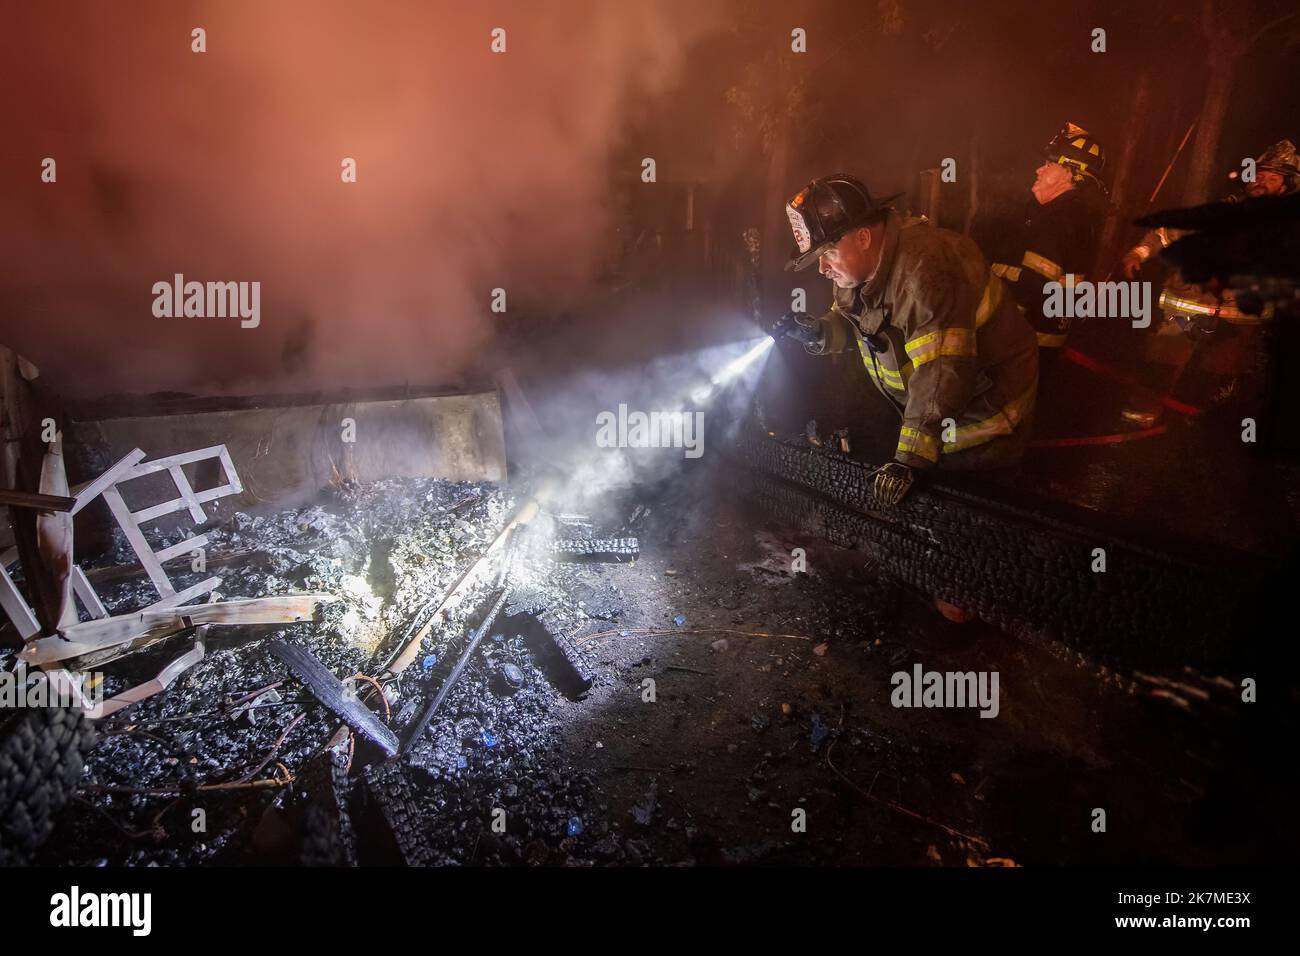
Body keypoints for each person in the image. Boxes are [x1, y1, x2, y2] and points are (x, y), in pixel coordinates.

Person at [773, 174, 1038, 510]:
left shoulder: (925, 271)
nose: (822, 268)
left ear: (864, 238)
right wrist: (818, 332)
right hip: (932, 409)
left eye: (827, 253)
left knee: (968, 513)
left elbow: (942, 371)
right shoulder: (856, 272)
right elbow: (853, 324)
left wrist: (910, 460)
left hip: (982, 415)